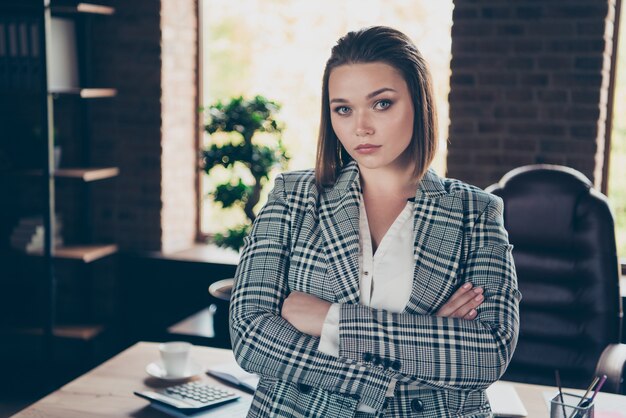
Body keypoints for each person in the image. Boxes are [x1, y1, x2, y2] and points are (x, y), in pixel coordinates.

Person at [229, 26, 521, 418]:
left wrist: (328, 320)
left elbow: (488, 353)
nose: (360, 127)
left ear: (418, 102)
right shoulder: (294, 196)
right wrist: (424, 338)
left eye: (382, 104)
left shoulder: (477, 212)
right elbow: (251, 336)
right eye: (343, 109)